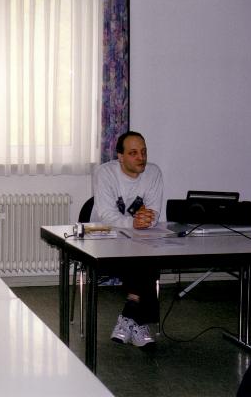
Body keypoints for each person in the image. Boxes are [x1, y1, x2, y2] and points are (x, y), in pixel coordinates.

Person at [90, 131, 163, 347]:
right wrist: (134, 223)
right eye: (133, 153)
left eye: (143, 152)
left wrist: (146, 220)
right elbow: (106, 215)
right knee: (140, 258)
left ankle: (130, 316)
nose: (141, 157)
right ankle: (139, 321)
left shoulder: (153, 173)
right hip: (104, 236)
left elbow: (153, 212)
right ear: (120, 157)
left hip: (138, 236)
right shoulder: (105, 173)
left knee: (148, 255)